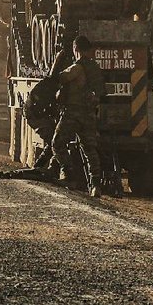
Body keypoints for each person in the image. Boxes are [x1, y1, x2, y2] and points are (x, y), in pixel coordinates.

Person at [51, 35, 105, 198]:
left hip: (73, 113)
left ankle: (69, 175)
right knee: (89, 149)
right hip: (89, 113)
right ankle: (95, 184)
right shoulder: (95, 68)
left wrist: (57, 61)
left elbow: (58, 78)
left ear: (76, 49)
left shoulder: (76, 68)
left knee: (57, 144)